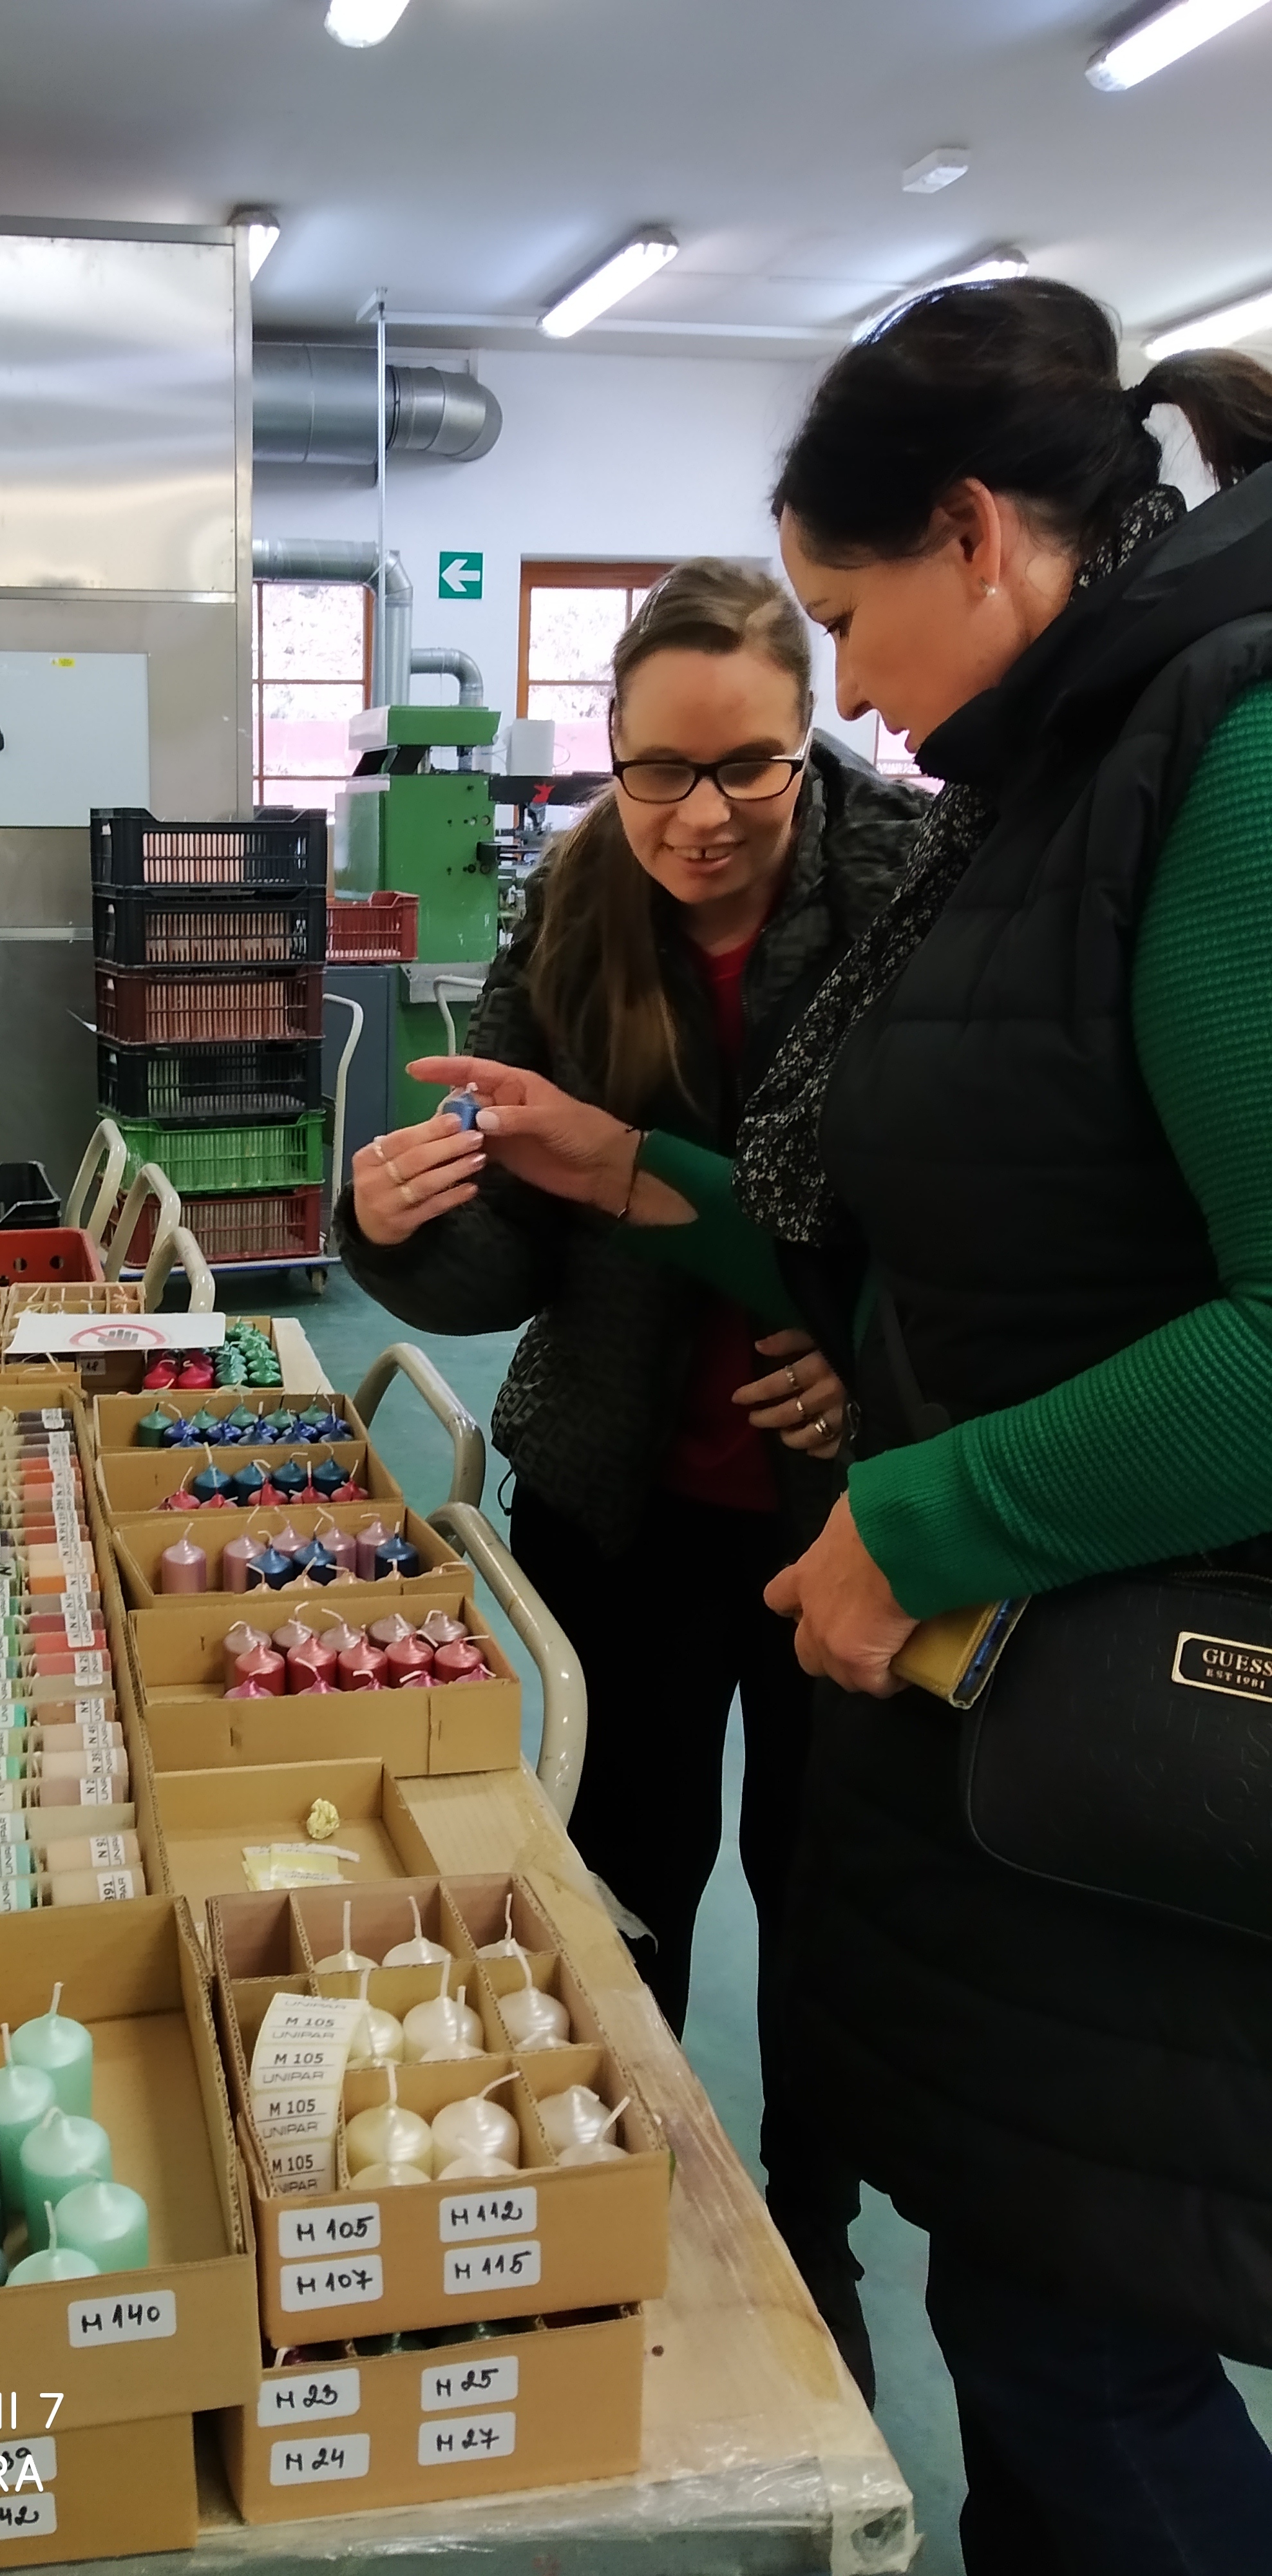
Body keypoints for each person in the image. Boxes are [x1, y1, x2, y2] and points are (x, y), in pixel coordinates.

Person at [420, 280, 1272, 2575]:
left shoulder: (1205, 753)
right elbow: (958, 1222)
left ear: (975, 534)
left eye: (843, 630)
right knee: (1030, 2301)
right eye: (662, 767)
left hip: (1099, 1658)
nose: (858, 692)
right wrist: (582, 1191)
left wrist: (923, 1491)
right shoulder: (1055, 770)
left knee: (1088, 2340)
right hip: (952, 1658)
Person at [334, 560, 924, 2389]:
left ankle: (811, 2238)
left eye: (750, 766)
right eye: (661, 769)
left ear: (811, 740)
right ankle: (615, 2201)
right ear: (609, 751)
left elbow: (981, 1213)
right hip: (627, 1497)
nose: (702, 815)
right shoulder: (576, 904)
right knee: (619, 1877)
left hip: (854, 1527)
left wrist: (873, 1349)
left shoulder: (915, 885)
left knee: (831, 1909)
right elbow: (510, 1251)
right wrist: (396, 1226)